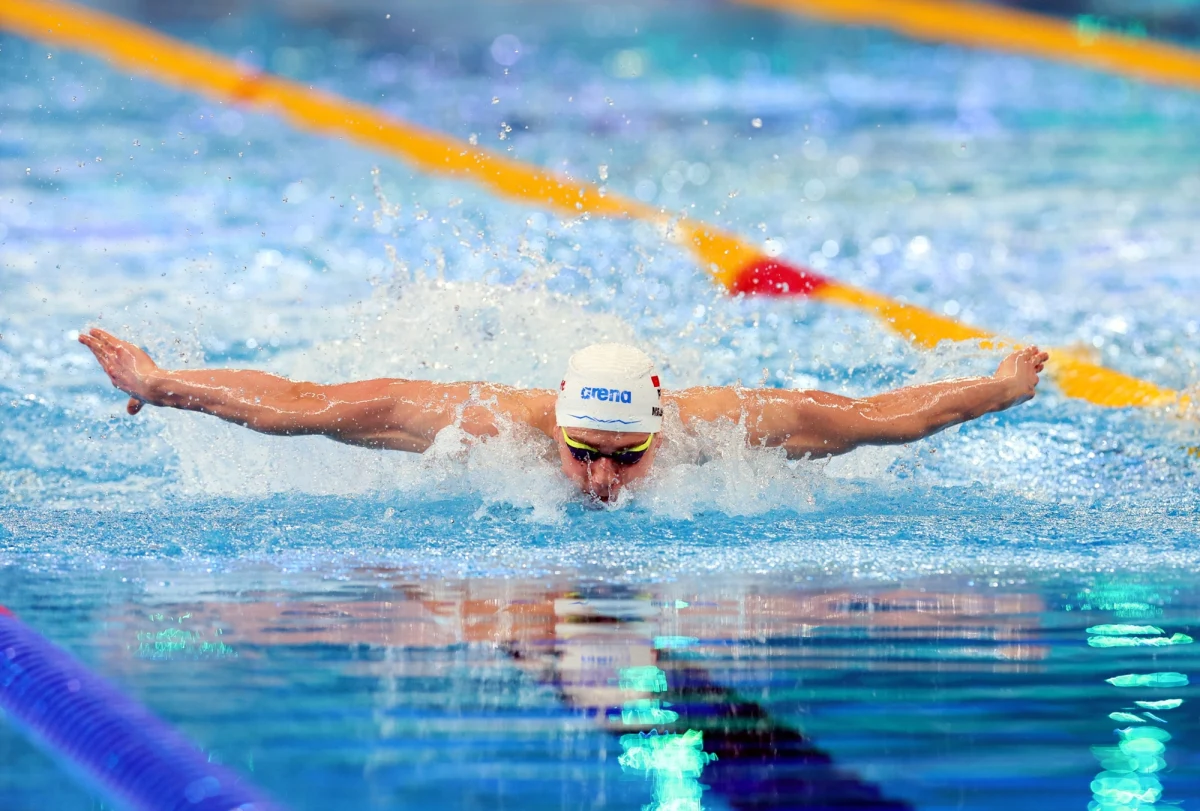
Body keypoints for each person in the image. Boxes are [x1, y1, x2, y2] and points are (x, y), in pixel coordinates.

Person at [79, 328, 1048, 502]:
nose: (599, 481)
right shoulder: (490, 425)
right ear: (556, 423)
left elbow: (882, 418)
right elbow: (305, 408)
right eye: (584, 452)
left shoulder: (728, 427)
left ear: (661, 429)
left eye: (626, 459)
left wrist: (1001, 389)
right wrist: (166, 385)